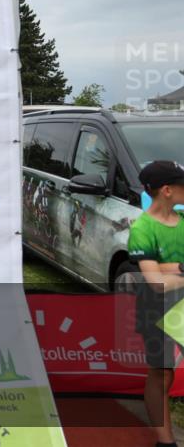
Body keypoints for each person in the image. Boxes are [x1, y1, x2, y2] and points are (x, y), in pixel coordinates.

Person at [127, 160, 184, 447]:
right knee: (162, 372)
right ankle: (166, 441)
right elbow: (156, 282)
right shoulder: (142, 228)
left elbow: (163, 273)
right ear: (167, 190)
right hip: (156, 306)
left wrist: (173, 269)